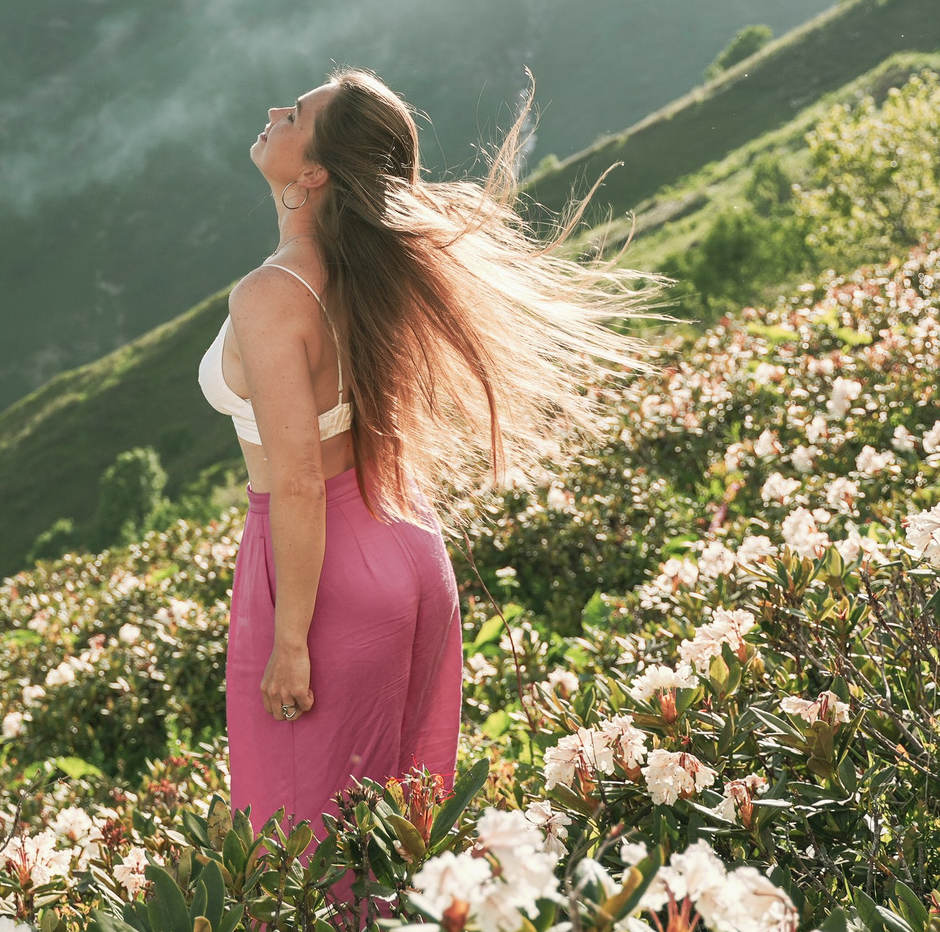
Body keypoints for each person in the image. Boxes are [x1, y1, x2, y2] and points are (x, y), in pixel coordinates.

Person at [200, 67, 649, 877]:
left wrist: (291, 638)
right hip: (404, 545)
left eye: (296, 113)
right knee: (399, 841)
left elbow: (298, 480)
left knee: (304, 855)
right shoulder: (367, 271)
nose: (274, 110)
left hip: (317, 568)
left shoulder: (271, 294)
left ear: (315, 173)